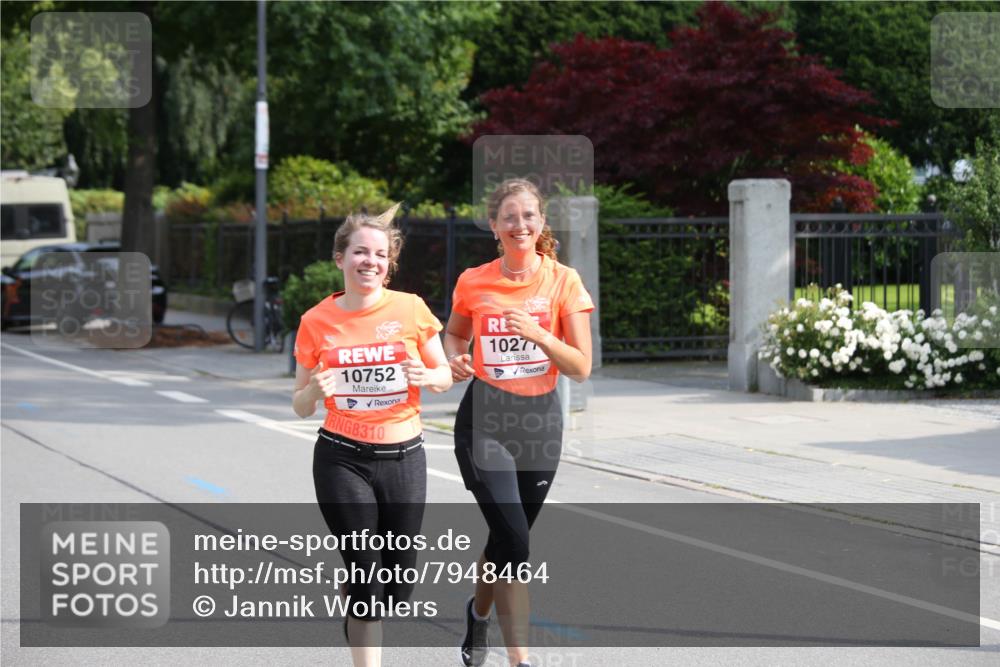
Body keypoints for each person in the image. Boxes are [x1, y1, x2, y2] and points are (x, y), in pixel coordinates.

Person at [292, 203, 452, 667]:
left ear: (390, 264)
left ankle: (357, 604)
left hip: (405, 457)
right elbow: (299, 404)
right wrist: (314, 392)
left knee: (397, 588)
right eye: (360, 252)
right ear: (340, 258)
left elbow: (443, 375)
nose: (371, 262)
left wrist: (427, 375)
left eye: (380, 255)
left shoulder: (411, 309)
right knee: (366, 573)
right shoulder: (316, 321)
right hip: (342, 457)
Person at [444, 179, 594, 667]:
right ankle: (520, 659)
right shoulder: (473, 281)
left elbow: (580, 365)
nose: (520, 225)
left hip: (540, 424)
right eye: (510, 217)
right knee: (515, 538)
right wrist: (456, 358)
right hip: (485, 419)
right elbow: (454, 334)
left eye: (529, 216)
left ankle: (477, 613)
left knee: (506, 537)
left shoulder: (563, 281)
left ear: (541, 222)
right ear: (494, 226)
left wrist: (538, 335)